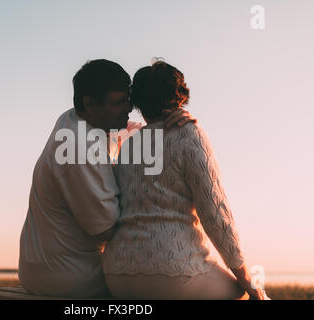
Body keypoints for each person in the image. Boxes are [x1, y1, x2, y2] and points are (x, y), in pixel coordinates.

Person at [18, 59, 196, 298]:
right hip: (68, 277)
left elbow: (142, 130)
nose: (128, 109)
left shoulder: (77, 119)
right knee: (168, 280)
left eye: (128, 101)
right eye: (119, 103)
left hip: (44, 269)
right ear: (90, 104)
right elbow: (105, 228)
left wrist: (174, 118)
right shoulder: (78, 146)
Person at [102, 61, 267, 300]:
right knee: (240, 296)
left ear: (137, 101)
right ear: (180, 97)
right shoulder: (190, 135)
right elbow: (215, 213)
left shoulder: (128, 146)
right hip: (173, 275)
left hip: (117, 275)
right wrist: (246, 279)